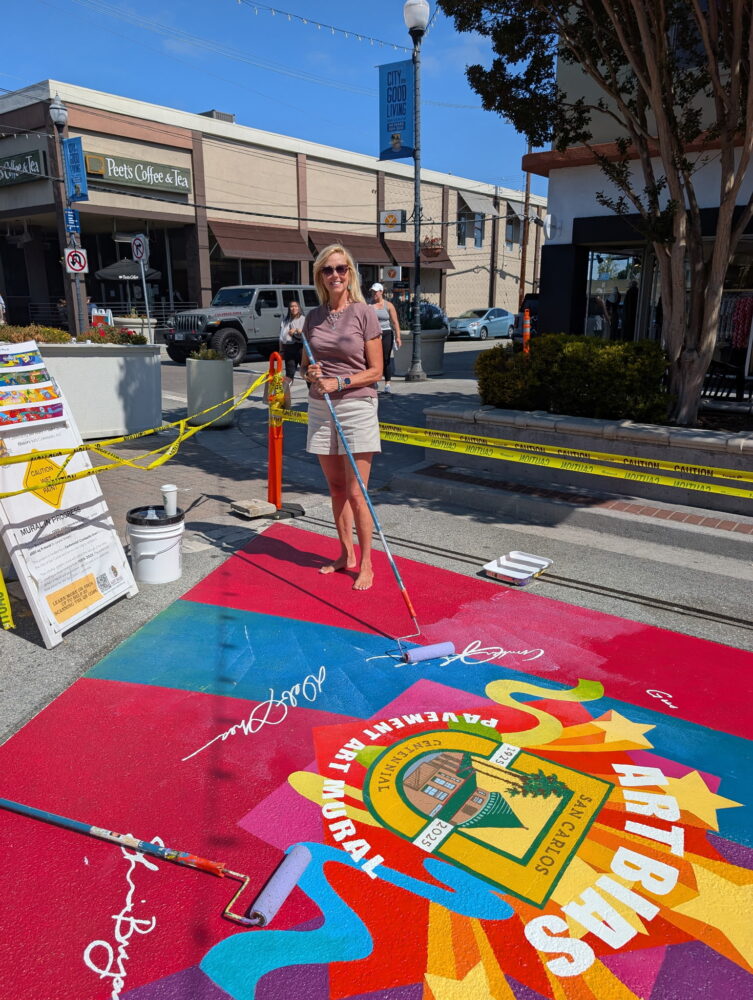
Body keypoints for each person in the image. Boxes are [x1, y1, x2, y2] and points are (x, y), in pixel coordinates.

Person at [301, 244, 383, 591]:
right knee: (335, 488)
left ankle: (367, 563)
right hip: (321, 406)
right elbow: (304, 366)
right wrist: (311, 374)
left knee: (356, 492)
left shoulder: (364, 312)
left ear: (350, 274)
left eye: (341, 269)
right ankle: (345, 554)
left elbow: (377, 370)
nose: (335, 275)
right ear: (320, 275)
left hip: (356, 404)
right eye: (328, 269)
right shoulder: (313, 318)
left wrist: (341, 381)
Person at [369, 283, 401, 394]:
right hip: (373, 334)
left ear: (381, 292)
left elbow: (395, 322)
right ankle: (375, 380)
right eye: (372, 291)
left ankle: (387, 383)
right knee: (373, 359)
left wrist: (398, 337)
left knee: (385, 359)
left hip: (387, 333)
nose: (374, 294)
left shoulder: (388, 305)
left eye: (375, 291)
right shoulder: (369, 306)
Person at [278, 299, 305, 380]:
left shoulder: (303, 319)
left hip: (301, 348)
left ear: (299, 308)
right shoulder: (285, 321)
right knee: (289, 375)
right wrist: (281, 350)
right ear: (289, 309)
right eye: (291, 307)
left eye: (296, 306)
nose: (294, 308)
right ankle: (286, 392)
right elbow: (281, 337)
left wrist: (296, 330)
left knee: (306, 373)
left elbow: (307, 332)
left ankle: (312, 391)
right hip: (289, 348)